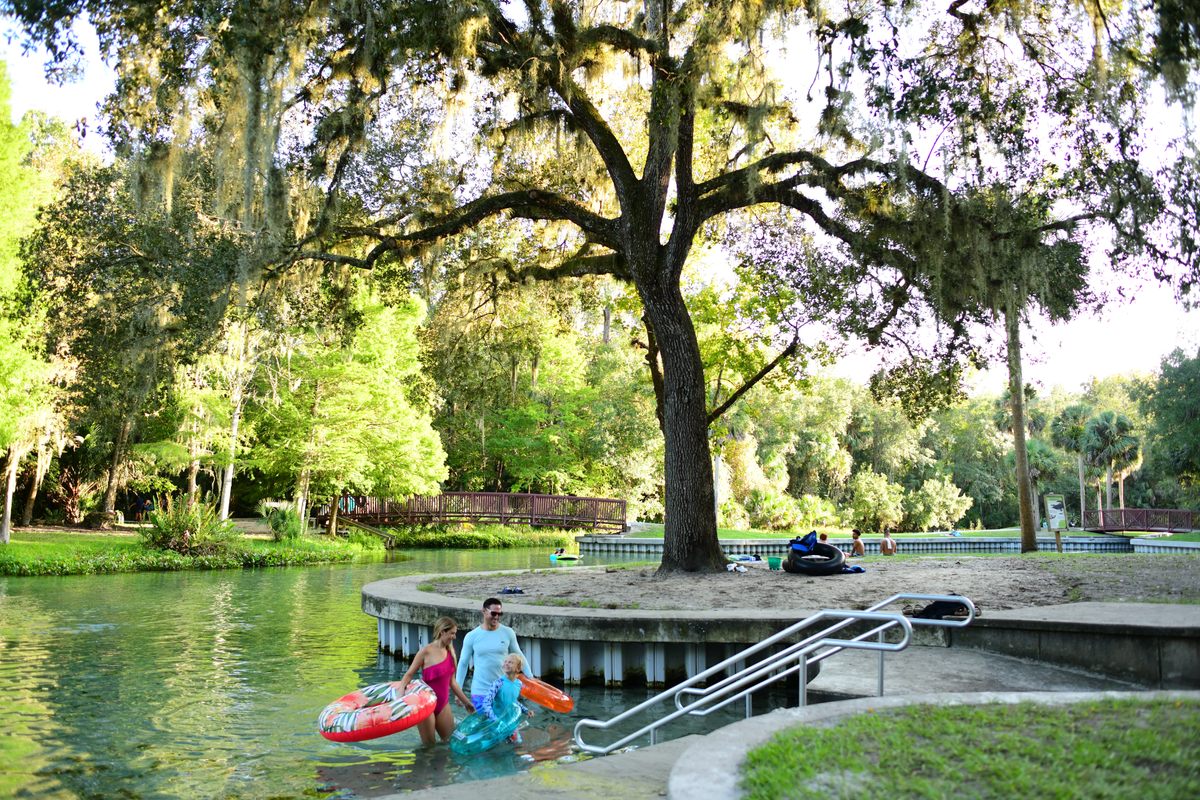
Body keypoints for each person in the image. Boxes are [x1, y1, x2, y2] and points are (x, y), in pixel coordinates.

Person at [397, 616, 474, 745]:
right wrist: (400, 694)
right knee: (429, 747)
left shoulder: (451, 652)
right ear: (442, 632)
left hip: (443, 704)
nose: (454, 637)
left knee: (451, 743)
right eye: (452, 633)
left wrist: (467, 703)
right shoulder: (425, 652)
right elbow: (409, 675)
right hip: (425, 705)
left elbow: (452, 682)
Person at [456, 597, 532, 710]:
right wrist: (459, 691)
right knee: (485, 726)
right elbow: (463, 663)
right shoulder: (472, 636)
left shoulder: (508, 633)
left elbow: (518, 654)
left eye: (499, 614)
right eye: (493, 613)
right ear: (484, 611)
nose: (496, 617)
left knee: (506, 726)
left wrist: (530, 677)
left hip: (503, 690)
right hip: (480, 691)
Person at [477, 653, 533, 722]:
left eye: (510, 662)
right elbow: (486, 703)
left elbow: (513, 701)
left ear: (518, 668)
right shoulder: (498, 683)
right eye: (505, 661)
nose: (506, 663)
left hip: (510, 721)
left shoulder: (519, 684)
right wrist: (495, 719)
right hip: (497, 722)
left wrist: (526, 710)